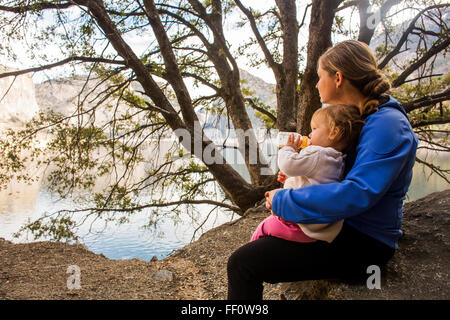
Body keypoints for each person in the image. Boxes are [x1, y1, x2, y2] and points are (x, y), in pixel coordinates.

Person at [227, 40, 418, 300]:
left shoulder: (388, 125)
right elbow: (332, 171)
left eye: (319, 77)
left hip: (364, 243)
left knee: (243, 263)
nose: (316, 84)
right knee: (256, 252)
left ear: (338, 78)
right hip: (337, 224)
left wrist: (286, 200)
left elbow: (359, 193)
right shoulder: (360, 115)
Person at [251, 104, 364, 244]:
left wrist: (288, 149)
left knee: (264, 226)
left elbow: (287, 164)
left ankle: (254, 251)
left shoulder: (318, 154)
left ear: (333, 132)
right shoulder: (337, 158)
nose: (309, 134)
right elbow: (313, 179)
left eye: (315, 129)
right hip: (319, 225)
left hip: (300, 225)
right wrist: (291, 178)